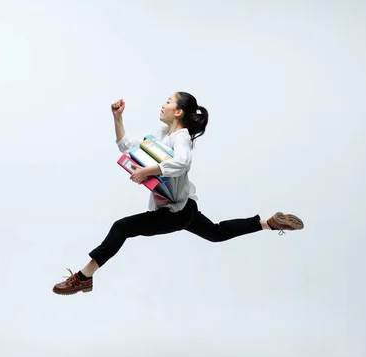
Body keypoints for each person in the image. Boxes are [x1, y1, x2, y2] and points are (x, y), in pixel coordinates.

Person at [53, 92, 304, 295]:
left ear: (178, 112)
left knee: (121, 228)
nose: (162, 105)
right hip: (186, 208)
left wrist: (147, 171)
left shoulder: (181, 137)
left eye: (168, 102)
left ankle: (84, 277)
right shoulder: (164, 133)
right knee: (215, 233)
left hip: (174, 212)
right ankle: (268, 223)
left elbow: (183, 162)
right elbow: (127, 146)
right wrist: (118, 118)